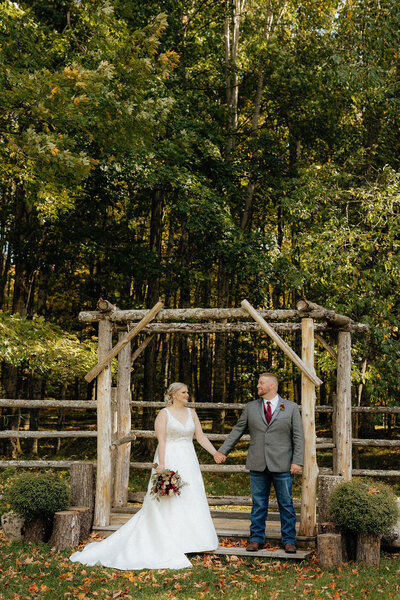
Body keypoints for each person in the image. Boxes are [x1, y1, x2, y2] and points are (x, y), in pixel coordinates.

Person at [70, 382, 218, 570]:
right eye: (183, 392)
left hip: (189, 459)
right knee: (168, 499)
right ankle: (169, 540)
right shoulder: (163, 414)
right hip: (170, 456)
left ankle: (193, 541)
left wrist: (215, 453)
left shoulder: (192, 413)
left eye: (187, 392)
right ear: (173, 395)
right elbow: (162, 441)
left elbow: (201, 437)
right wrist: (161, 466)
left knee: (191, 496)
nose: (187, 395)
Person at [214, 372, 304, 554]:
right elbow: (238, 429)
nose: (258, 386)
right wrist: (223, 450)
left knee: (286, 503)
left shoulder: (291, 407)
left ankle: (288, 540)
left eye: (261, 383)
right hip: (257, 462)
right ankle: (256, 539)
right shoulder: (251, 407)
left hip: (283, 463)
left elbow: (298, 436)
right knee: (258, 503)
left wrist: (297, 461)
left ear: (272, 386)